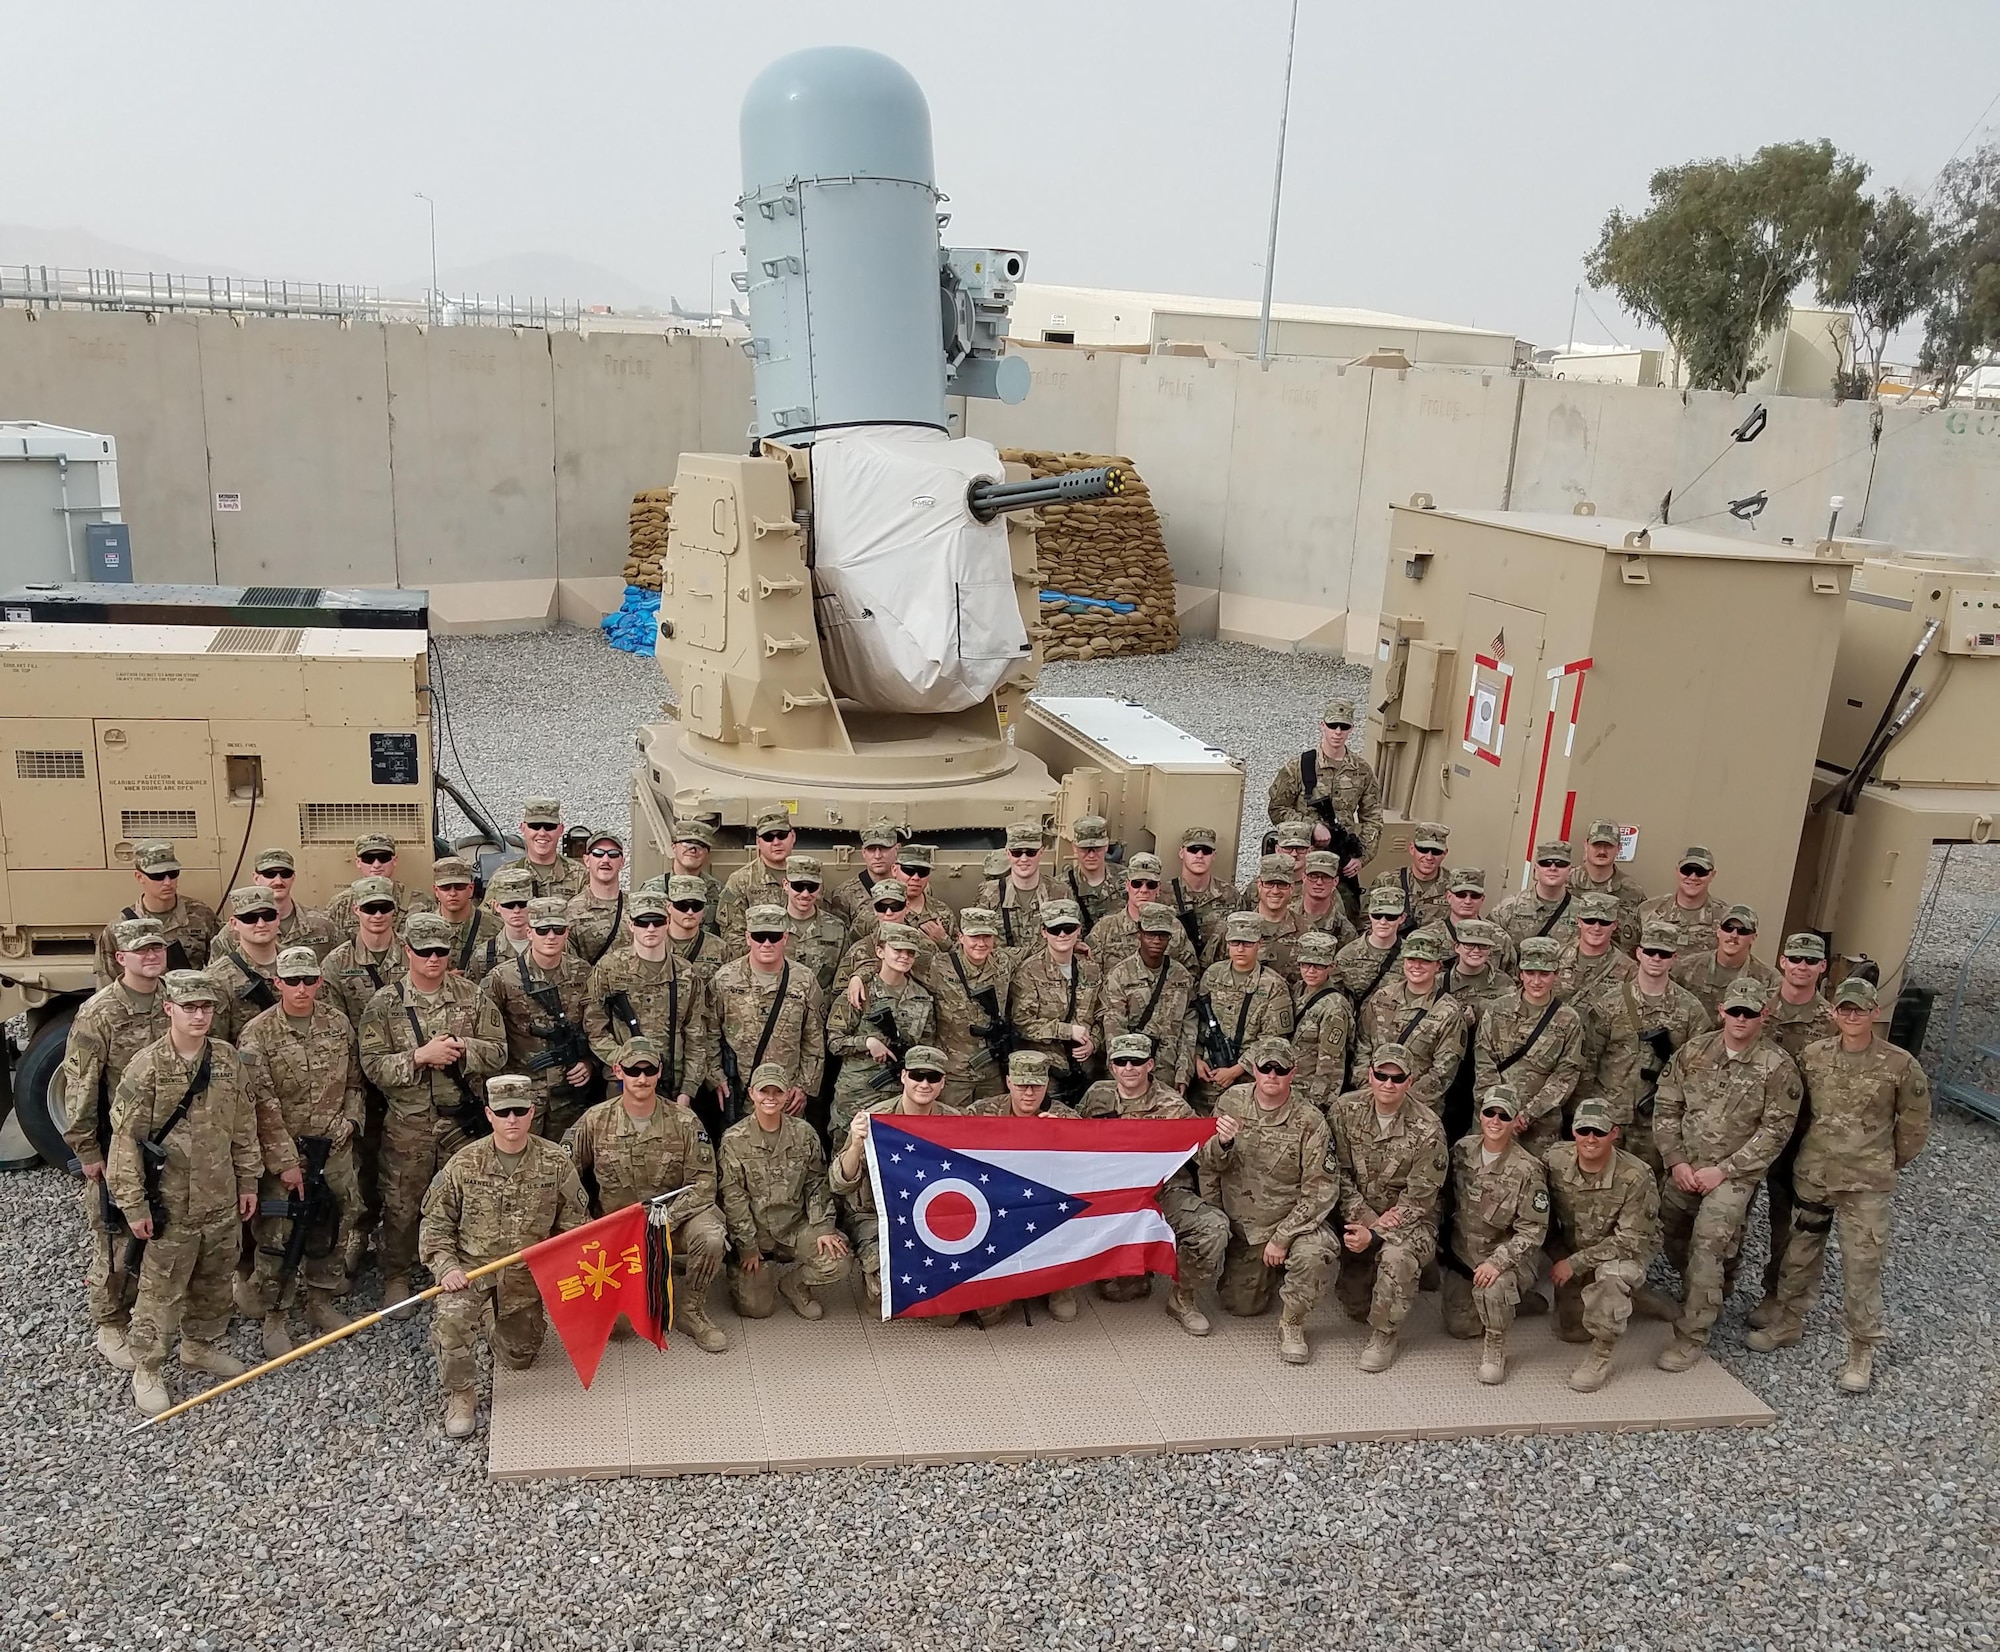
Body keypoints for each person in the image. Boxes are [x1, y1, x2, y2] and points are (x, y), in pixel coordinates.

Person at [1745, 977, 1930, 1394]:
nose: (1851, 1016)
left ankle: (1861, 1348)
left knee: (1861, 1265)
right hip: (1814, 1175)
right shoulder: (1813, 1056)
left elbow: (1914, 1126)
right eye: (1844, 1009)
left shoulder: (1899, 1065)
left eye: (1859, 1010)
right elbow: (1799, 1111)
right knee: (1799, 1253)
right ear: (1834, 1013)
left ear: (1873, 1013)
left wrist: (1884, 1160)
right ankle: (1789, 1321)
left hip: (1865, 1184)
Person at [107, 970, 262, 1417]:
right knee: (161, 1289)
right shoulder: (148, 1067)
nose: (199, 1015)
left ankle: (199, 1346)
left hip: (220, 1197)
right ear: (169, 1008)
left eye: (206, 1007)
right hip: (170, 1202)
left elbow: (243, 1124)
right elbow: (126, 1141)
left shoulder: (228, 1059)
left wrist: (249, 1179)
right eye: (189, 1007)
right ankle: (148, 1366)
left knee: (215, 1279)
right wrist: (133, 1205)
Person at [420, 1074, 589, 1439]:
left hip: (525, 1275)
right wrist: (446, 1267)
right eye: (502, 1112)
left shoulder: (556, 1162)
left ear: (532, 1112)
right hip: (470, 1269)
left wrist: (562, 1269)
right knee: (451, 1321)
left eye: (519, 1111)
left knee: (520, 1356)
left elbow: (576, 1226)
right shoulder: (463, 1164)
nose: (511, 1120)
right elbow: (435, 1226)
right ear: (488, 1114)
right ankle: (461, 1394)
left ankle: (495, 1319)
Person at [357, 911, 508, 1313]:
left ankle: (465, 1270)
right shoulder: (385, 1004)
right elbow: (372, 1066)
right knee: (402, 1203)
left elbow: (498, 1051)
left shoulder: (471, 996)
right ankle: (398, 1275)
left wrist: (463, 1048)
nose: (434, 959)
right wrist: (419, 1057)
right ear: (407, 951)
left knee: (470, 1199)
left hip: (462, 1123)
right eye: (424, 952)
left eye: (441, 951)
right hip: (410, 1125)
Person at [1652, 977, 1802, 1372]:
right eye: (1734, 1011)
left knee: (1707, 1245)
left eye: (1749, 1013)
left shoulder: (1777, 1068)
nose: (1740, 1018)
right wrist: (1677, 1160)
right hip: (1686, 1166)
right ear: (1721, 1011)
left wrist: (1725, 1170)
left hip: (1734, 1175)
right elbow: (1667, 1108)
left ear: (1763, 1015)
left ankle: (1692, 1333)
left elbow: (1776, 1131)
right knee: (1669, 1232)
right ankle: (1720, 1280)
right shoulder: (1694, 1052)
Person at [561, 1036, 730, 1353]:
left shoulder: (684, 1121)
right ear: (617, 1071)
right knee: (620, 1330)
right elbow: (562, 1175)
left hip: (670, 1225)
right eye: (633, 1070)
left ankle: (692, 1311)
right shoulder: (595, 1121)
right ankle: (643, 1284)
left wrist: (664, 1220)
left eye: (648, 1070)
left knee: (711, 1235)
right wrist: (582, 1222)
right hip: (618, 1235)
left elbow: (704, 1184)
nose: (641, 1078)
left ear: (659, 1072)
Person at [236, 946, 365, 1356]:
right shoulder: (257, 1034)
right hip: (285, 1154)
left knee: (335, 1220)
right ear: (278, 984)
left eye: (309, 980)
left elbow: (355, 1082)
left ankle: (320, 1300)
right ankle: (276, 1313)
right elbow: (258, 1102)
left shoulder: (337, 1023)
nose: (302, 988)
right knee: (277, 1235)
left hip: (334, 1147)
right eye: (292, 980)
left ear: (319, 982)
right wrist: (285, 1161)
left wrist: (351, 1122)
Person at [62, 916, 171, 1371]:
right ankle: (110, 1321)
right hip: (120, 1143)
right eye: (140, 950)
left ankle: (157, 1311)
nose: (150, 956)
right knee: (114, 1234)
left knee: (163, 1226)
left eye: (156, 948)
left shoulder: (175, 1000)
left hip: (170, 1142)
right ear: (120, 958)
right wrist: (87, 1150)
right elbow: (80, 1085)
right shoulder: (99, 1013)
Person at [1197, 1037, 1341, 1364]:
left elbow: (1321, 1189)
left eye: (1281, 1069)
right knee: (1240, 1305)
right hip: (1246, 1225)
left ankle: (1292, 1323)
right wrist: (1221, 1143)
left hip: (1293, 1221)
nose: (1272, 1075)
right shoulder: (1231, 1101)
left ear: (1294, 1073)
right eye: (1265, 1068)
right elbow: (1206, 1164)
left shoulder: (1310, 1120)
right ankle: (1269, 1273)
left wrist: (1283, 1237)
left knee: (1314, 1255)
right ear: (1255, 1071)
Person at [1078, 1034, 1228, 1334]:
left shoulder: (1173, 1105)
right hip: (1114, 1196)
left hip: (1164, 1193)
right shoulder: (1097, 1096)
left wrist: (1224, 1141)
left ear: (1151, 1064)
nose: (1129, 1068)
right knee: (1120, 1292)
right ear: (1111, 1067)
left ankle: (1183, 1298)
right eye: (1121, 1062)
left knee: (1214, 1228)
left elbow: (1205, 1154)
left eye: (1136, 1061)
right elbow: (1073, 1136)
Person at [1327, 1043, 1449, 1373]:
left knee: (1397, 1259)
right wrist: (1364, 1220)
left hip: (1410, 1221)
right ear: (1370, 1075)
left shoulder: (1428, 1128)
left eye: (1397, 1078)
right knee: (1355, 1306)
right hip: (1357, 1214)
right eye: (1381, 1075)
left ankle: (1384, 1335)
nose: (1388, 1084)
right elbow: (1335, 1172)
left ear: (1410, 1081)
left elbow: (1419, 1199)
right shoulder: (1344, 1110)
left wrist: (1378, 1233)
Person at [1746, 932, 1838, 1328]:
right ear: (1782, 962)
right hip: (1748, 1129)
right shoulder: (1755, 1006)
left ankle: (1778, 1297)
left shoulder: (1832, 1022)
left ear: (1822, 968)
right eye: (1794, 959)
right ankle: (1717, 1289)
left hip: (1800, 1136)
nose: (1801, 966)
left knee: (1790, 1223)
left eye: (1810, 961)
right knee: (1733, 1214)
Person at [719, 1063, 852, 1319]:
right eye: (764, 1091)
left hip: (795, 1227)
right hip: (756, 1232)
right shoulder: (733, 1140)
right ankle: (739, 1275)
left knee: (838, 1259)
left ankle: (795, 1285)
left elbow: (816, 1183)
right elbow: (734, 1199)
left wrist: (823, 1227)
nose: (770, 1097)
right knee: (757, 1310)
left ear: (787, 1094)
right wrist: (747, 1246)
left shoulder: (804, 1134)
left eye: (777, 1092)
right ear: (751, 1094)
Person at [1545, 1097, 1660, 1393]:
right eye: (1584, 1130)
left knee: (1612, 1279)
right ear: (1574, 1132)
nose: (1591, 1138)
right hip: (1575, 1244)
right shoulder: (1554, 1160)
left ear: (1614, 1133)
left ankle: (1601, 1354)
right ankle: (1638, 1301)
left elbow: (1630, 1240)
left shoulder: (1636, 1176)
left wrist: (1574, 1263)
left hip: (1624, 1251)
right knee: (1570, 1331)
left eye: (1599, 1131)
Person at [1440, 1084, 1550, 1385]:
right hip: (1466, 1255)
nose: (1496, 1121)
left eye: (1504, 1115)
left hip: (1507, 1260)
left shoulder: (1529, 1169)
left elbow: (1533, 1230)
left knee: (1494, 1288)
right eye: (1490, 1112)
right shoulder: (1462, 1150)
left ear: (1516, 1121)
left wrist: (1498, 1263)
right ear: (1481, 1114)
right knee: (1459, 1325)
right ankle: (1516, 1303)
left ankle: (1495, 1344)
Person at [1585, 919, 1707, 1174]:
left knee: (1647, 1187)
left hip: (1657, 1124)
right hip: (1608, 1116)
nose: (1656, 958)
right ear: (1639, 953)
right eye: (1650, 951)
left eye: (1663, 953)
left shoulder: (1690, 1010)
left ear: (1674, 957)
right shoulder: (1611, 1003)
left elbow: (1698, 1074)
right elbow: (1588, 1063)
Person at [482, 897, 599, 1139]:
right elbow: (484, 1034)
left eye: (558, 929)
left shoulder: (584, 973)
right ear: (529, 932)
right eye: (542, 930)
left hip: (568, 1094)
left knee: (566, 1162)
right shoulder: (503, 978)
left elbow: (598, 1026)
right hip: (521, 1095)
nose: (551, 936)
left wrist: (590, 1063)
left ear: (567, 932)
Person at [582, 889, 711, 1108]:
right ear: (631, 925)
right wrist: (623, 1062)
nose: (650, 929)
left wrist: (688, 1089)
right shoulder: (609, 969)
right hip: (623, 1081)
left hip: (672, 1083)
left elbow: (696, 1036)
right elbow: (595, 1028)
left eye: (657, 922)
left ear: (667, 922)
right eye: (642, 922)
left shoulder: (685, 973)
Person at [1471, 936, 1586, 1157]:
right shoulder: (1497, 1010)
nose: (1536, 981)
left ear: (1555, 975)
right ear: (1521, 974)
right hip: (1492, 1118)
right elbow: (1483, 1059)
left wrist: (1526, 1115)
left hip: (1539, 1125)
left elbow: (1566, 1074)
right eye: (1530, 973)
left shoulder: (1568, 1019)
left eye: (1544, 974)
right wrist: (1499, 1112)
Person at [1265, 696, 1382, 914]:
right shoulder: (1300, 766)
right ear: (1322, 726)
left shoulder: (1362, 771)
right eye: (1332, 725)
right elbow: (1277, 809)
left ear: (1351, 729)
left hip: (1340, 860)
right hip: (1300, 858)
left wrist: (1362, 856)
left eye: (1344, 726)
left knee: (1345, 914)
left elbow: (1373, 818)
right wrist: (1311, 826)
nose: (1337, 732)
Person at [708, 905, 826, 1121]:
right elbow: (709, 1033)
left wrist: (804, 1086)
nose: (766, 944)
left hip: (786, 1094)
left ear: (785, 937)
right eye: (759, 936)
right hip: (739, 1089)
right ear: (747, 937)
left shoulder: (804, 980)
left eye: (773, 936)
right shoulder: (725, 979)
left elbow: (814, 1039)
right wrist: (716, 1077)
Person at [826, 924, 938, 1141]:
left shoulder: (922, 998)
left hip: (901, 1096)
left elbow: (926, 1047)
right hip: (857, 1094)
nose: (904, 957)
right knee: (847, 1160)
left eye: (910, 953)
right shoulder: (859, 991)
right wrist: (867, 1042)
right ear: (880, 952)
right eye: (897, 950)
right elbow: (834, 1041)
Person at [1353, 926, 1468, 1117]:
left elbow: (1442, 1072)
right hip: (1370, 1101)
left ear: (1438, 965)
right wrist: (1369, 1088)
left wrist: (1400, 1099)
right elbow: (1363, 1045)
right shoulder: (1383, 997)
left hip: (1416, 1111)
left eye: (1425, 961)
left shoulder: (1449, 1012)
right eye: (1412, 959)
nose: (1417, 965)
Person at [1190, 911, 1294, 1112]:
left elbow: (1273, 1039)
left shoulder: (1273, 985)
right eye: (1235, 943)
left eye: (1247, 943)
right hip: (1206, 1079)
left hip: (1248, 1082)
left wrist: (1236, 1070)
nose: (1240, 949)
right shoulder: (1212, 975)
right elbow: (1196, 1019)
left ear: (1259, 944)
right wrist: (1196, 1057)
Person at [1005, 899, 1101, 1110]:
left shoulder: (1091, 969)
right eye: (1055, 929)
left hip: (1086, 1072)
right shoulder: (1029, 972)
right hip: (1047, 1076)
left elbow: (1103, 1014)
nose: (1062, 935)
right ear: (1044, 932)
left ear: (1079, 930)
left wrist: (1093, 1042)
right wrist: (1066, 1031)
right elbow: (1022, 1023)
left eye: (1068, 928)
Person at [1100, 904, 1199, 1096]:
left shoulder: (1181, 976)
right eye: (1150, 934)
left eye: (1162, 935)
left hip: (1168, 1075)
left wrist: (1183, 1074)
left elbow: (1189, 1027)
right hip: (1130, 1073)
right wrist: (1122, 1077)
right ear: (1139, 934)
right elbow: (1113, 1029)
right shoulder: (1120, 975)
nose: (1156, 940)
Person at [92, 840, 220, 979]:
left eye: (173, 874)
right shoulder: (119, 929)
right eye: (157, 876)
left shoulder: (201, 915)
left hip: (189, 999)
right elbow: (107, 986)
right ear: (139, 877)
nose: (167, 882)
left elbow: (221, 967)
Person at [929, 910, 1018, 1108]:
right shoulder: (939, 965)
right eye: (974, 936)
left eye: (987, 936)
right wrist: (859, 976)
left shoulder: (1004, 962)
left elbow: (1041, 948)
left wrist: (1076, 946)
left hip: (993, 1072)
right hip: (954, 1073)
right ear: (960, 937)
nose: (981, 943)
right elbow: (894, 961)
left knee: (991, 1130)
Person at [319, 876, 410, 1029]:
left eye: (385, 908)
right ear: (356, 909)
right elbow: (333, 1022)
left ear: (394, 909)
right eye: (370, 908)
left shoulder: (414, 955)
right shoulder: (335, 963)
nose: (378, 915)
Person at [1672, 904, 1782, 1027]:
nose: (1733, 935)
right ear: (1719, 932)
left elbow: (1769, 1025)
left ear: (1753, 938)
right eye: (1728, 928)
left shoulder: (1769, 979)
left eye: (1742, 931)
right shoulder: (1685, 968)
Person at [1088, 855, 1199, 975]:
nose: (1144, 890)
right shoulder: (1105, 929)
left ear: (1158, 888)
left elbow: (1190, 973)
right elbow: (1089, 974)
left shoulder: (1174, 928)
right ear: (1127, 885)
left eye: (1151, 885)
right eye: (1137, 884)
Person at [202, 886, 285, 1045]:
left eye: (268, 916)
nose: (261, 924)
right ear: (234, 923)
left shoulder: (298, 963)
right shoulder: (217, 979)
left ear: (278, 917)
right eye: (249, 918)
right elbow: (217, 1046)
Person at [321, 833, 436, 942]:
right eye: (368, 859)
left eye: (383, 857)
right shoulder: (340, 905)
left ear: (394, 860)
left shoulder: (421, 902)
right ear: (358, 862)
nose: (376, 865)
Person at [1289, 931, 1354, 1113]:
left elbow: (1330, 1063)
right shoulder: (1297, 990)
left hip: (1309, 1093)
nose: (1310, 971)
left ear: (1331, 966)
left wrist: (1318, 1103)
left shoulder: (1334, 1007)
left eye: (1318, 966)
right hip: (1289, 1086)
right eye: (1306, 964)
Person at [1233, 855, 1313, 984]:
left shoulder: (1307, 932)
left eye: (1282, 885)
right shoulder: (1236, 927)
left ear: (1291, 888)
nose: (1275, 891)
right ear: (1259, 885)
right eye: (1269, 884)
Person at [1636, 845, 1729, 958]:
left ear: (1712, 875)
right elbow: (1630, 953)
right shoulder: (1647, 910)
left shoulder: (1725, 918)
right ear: (1677, 871)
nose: (1693, 877)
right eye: (1687, 870)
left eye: (1701, 872)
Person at [977, 822, 1057, 950]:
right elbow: (976, 942)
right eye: (1017, 853)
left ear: (1041, 852)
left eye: (1031, 852)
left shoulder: (1059, 893)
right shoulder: (990, 895)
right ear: (1008, 853)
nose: (1024, 859)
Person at [719, 806, 797, 937]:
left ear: (793, 837)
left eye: (782, 835)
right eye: (768, 837)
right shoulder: (741, 881)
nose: (776, 842)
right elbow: (733, 936)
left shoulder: (809, 878)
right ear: (758, 842)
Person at [1568, 819, 1646, 949]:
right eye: (1597, 845)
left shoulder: (1632, 891)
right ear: (1586, 845)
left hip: (1615, 966)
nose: (1602, 851)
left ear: (1619, 848)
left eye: (1608, 846)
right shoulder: (1566, 883)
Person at [1166, 825, 1238, 962]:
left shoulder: (1230, 895)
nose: (1199, 856)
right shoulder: (1163, 895)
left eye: (1206, 851)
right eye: (1193, 850)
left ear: (1214, 855)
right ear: (1181, 853)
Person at [780, 855, 850, 993]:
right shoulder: (770, 926)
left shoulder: (837, 930)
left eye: (812, 887)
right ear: (786, 885)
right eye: (798, 886)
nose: (805, 894)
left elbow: (842, 981)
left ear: (819, 888)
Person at [1491, 841, 1580, 946]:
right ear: (1536, 868)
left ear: (1569, 870)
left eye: (1560, 864)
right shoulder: (1509, 907)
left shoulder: (1582, 912)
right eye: (1545, 863)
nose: (1553, 868)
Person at [251, 848, 336, 958]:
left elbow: (343, 966)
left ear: (293, 877)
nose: (278, 881)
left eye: (285, 874)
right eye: (270, 874)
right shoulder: (240, 929)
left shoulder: (321, 925)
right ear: (256, 878)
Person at [1370, 821, 1452, 935]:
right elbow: (1367, 923)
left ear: (1445, 853)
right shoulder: (1387, 881)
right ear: (1412, 848)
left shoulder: (1455, 887)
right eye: (1423, 849)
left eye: (1436, 852)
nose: (1429, 857)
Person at [502, 797, 587, 904]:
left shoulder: (581, 876)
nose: (542, 833)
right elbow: (488, 917)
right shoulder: (505, 876)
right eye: (535, 826)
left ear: (560, 830)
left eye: (549, 826)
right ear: (523, 828)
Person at [563, 830, 630, 967]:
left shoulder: (636, 907)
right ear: (587, 860)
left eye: (613, 854)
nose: (605, 860)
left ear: (622, 862)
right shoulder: (572, 912)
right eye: (598, 853)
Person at [429, 857, 503, 977]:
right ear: (436, 891)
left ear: (471, 889)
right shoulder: (422, 929)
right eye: (445, 887)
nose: (452, 893)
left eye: (459, 887)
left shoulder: (496, 928)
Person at [1333, 886, 1406, 1004]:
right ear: (1370, 915)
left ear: (1402, 918)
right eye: (1377, 915)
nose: (1383, 922)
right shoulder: (1346, 956)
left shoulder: (1411, 958)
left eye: (1391, 916)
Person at [462, 864, 535, 982]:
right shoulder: (483, 955)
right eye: (509, 905)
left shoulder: (552, 947)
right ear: (496, 906)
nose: (516, 910)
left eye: (522, 904)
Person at [1557, 893, 1635, 1002]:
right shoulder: (1556, 956)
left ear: (1614, 925)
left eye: (1604, 922)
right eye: (1590, 920)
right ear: (1579, 921)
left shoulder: (1629, 970)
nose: (1596, 928)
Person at [825, 818, 901, 925]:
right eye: (871, 849)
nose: (878, 856)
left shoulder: (910, 888)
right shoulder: (845, 895)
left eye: (884, 848)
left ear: (897, 849)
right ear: (863, 852)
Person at [1442, 866, 1516, 975]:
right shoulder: (1430, 936)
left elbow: (1510, 978)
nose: (1467, 901)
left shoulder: (1500, 938)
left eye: (1475, 896)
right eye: (1461, 895)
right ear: (1448, 897)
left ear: (1482, 899)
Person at [664, 874, 727, 992]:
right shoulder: (654, 945)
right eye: (682, 905)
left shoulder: (720, 949)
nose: (690, 912)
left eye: (696, 906)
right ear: (669, 906)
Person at [1443, 917, 1514, 1016]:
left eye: (1483, 946)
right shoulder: (1440, 983)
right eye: (1469, 945)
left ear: (1490, 950)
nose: (1476, 950)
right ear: (1457, 947)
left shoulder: (1504, 983)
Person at [1061, 815, 1119, 933]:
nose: (1091, 855)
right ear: (1074, 847)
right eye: (1085, 849)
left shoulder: (1129, 882)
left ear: (1106, 846)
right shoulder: (1061, 887)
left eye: (1097, 848)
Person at [1293, 851, 1358, 948]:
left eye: (1326, 877)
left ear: (1335, 881)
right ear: (1304, 878)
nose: (1319, 882)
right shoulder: (1287, 917)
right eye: (1313, 876)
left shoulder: (1344, 930)